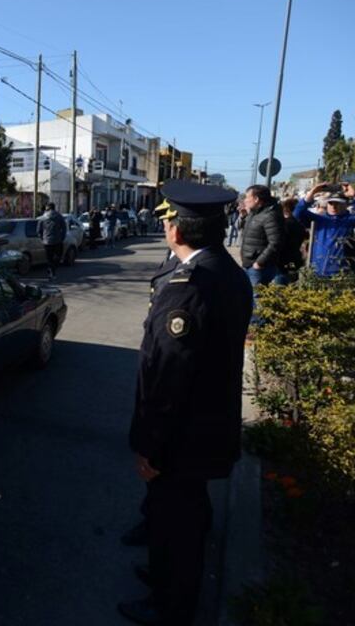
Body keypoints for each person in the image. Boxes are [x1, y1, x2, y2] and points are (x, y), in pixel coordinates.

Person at [119, 180, 252, 626]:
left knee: (179, 526)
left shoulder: (190, 285)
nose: (165, 226)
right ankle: (163, 576)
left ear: (177, 229)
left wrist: (152, 446)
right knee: (181, 515)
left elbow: (170, 376)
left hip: (182, 436)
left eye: (168, 219)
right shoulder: (225, 271)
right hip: (206, 426)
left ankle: (169, 606)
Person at [121, 198, 182, 550]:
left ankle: (163, 542)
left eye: (167, 220)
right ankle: (156, 524)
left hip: (170, 404)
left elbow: (174, 364)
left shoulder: (190, 272)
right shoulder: (177, 262)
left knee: (171, 486)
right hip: (165, 392)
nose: (163, 226)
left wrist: (152, 435)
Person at [294, 181, 355, 277]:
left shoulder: (352, 221)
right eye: (331, 203)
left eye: (338, 203)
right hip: (318, 273)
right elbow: (297, 214)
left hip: (344, 275)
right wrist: (312, 193)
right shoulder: (319, 219)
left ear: (346, 205)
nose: (334, 206)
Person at [240, 184, 286, 289]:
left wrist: (259, 262)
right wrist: (243, 217)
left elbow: (276, 242)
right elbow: (251, 232)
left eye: (247, 197)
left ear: (256, 199)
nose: (245, 200)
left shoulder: (270, 215)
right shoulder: (255, 213)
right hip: (249, 264)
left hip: (259, 267)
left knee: (257, 300)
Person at [274, 198, 306, 285]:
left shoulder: (284, 224)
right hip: (295, 259)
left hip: (282, 261)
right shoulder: (300, 225)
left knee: (279, 287)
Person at [37, 202, 67, 280]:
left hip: (47, 241)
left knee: (49, 258)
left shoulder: (43, 217)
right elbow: (64, 228)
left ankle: (51, 271)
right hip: (57, 241)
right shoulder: (59, 216)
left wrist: (42, 239)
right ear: (54, 208)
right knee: (58, 256)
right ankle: (52, 270)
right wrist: (62, 237)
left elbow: (38, 230)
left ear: (48, 208)